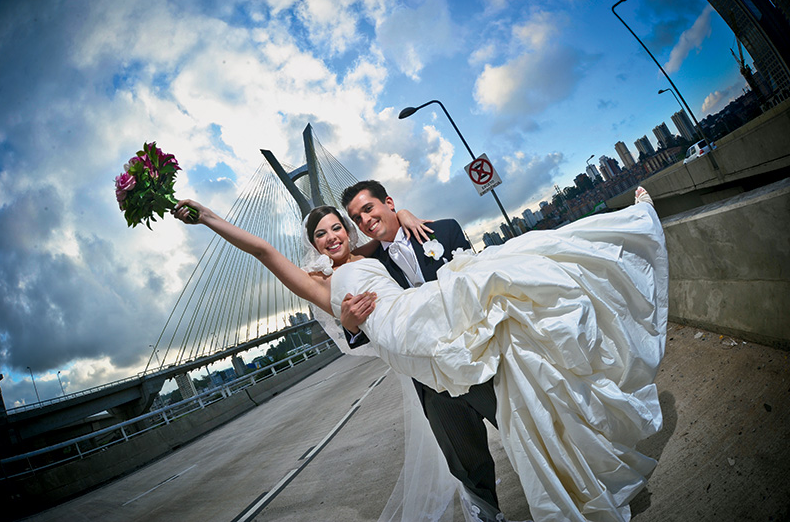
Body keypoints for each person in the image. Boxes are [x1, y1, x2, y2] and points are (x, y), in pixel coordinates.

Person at [174, 186, 667, 522]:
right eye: (322, 234)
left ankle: (620, 234)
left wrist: (404, 214)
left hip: (422, 317)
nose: (334, 235)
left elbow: (387, 227)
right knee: (464, 449)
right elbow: (264, 252)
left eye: (337, 227)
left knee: (502, 272)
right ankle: (487, 511)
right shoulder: (318, 284)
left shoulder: (373, 253)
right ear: (315, 247)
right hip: (409, 343)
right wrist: (210, 218)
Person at [339, 181, 505, 521]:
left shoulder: (444, 230)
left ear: (388, 202)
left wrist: (404, 215)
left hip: (480, 363)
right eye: (356, 218)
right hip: (433, 387)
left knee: (524, 433)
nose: (364, 221)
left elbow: (479, 288)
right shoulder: (371, 267)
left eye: (368, 209)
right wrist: (350, 326)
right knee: (468, 465)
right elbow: (370, 328)